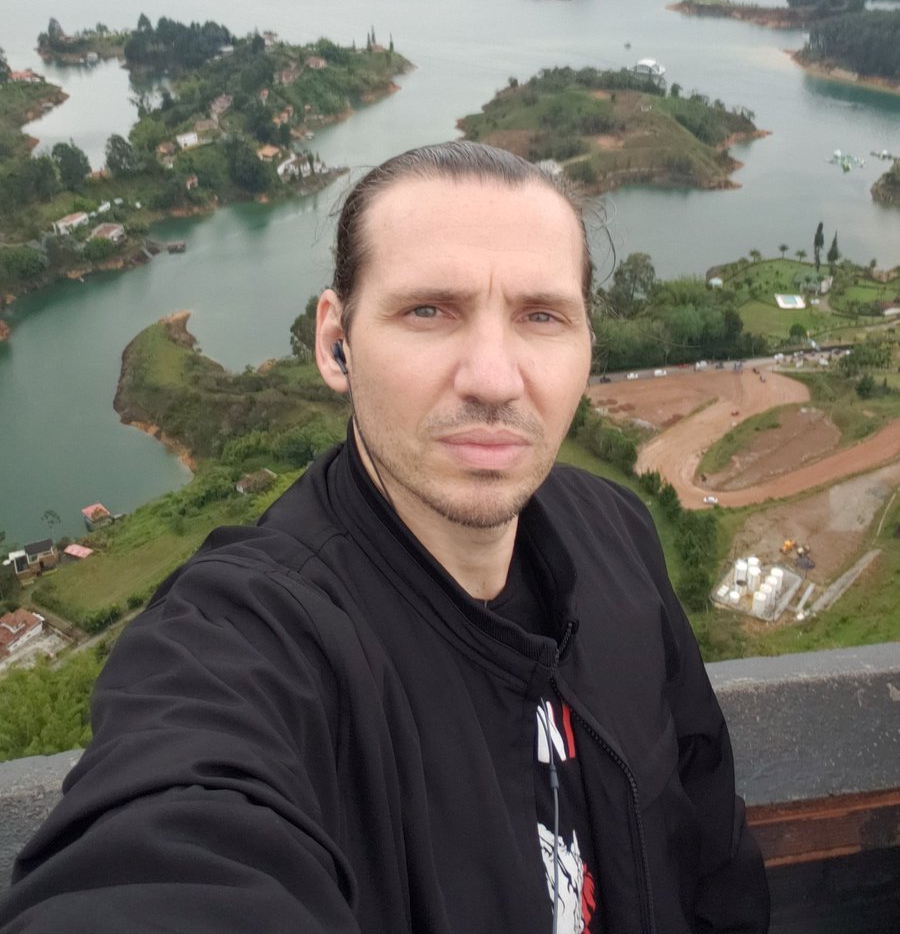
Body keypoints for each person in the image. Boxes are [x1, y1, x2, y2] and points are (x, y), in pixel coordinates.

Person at [0, 142, 769, 934]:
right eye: (428, 311)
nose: (495, 378)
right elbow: (161, 855)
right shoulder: (249, 634)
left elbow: (708, 841)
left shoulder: (616, 536)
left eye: (542, 316)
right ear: (336, 343)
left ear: (585, 344)